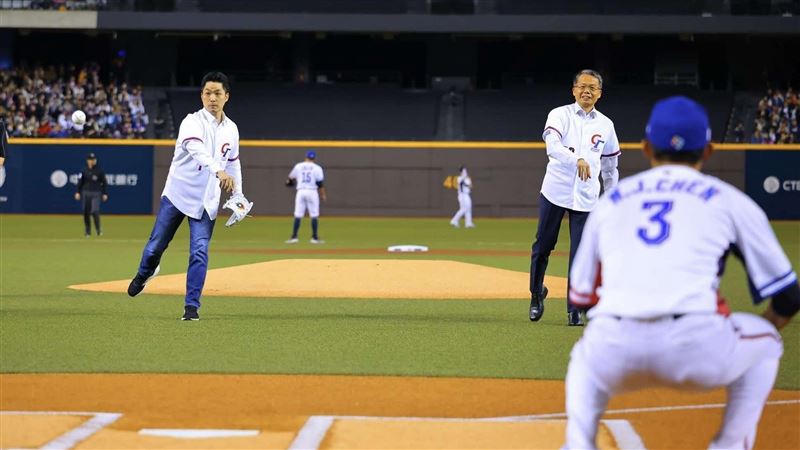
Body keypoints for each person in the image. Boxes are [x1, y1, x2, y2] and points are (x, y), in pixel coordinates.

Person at [563, 96, 799, 450]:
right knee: (765, 343)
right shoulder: (729, 199)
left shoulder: (612, 200)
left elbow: (579, 297)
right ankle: (729, 445)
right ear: (708, 150)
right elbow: (788, 296)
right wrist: (750, 325)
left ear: (645, 148)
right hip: (696, 347)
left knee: (584, 358)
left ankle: (579, 444)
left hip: (615, 344)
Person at [127, 72, 245, 321]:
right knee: (154, 247)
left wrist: (239, 195)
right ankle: (144, 273)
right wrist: (218, 170)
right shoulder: (191, 122)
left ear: (227, 97)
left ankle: (191, 307)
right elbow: (196, 150)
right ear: (201, 95)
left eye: (217, 93)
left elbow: (233, 164)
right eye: (207, 93)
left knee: (199, 251)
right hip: (178, 194)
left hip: (206, 202)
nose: (212, 98)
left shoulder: (232, 129)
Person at [529, 69, 620, 326]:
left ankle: (574, 309)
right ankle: (536, 294)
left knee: (581, 254)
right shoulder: (559, 114)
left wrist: (612, 200)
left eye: (592, 88)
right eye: (582, 86)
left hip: (587, 196)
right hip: (555, 191)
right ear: (573, 90)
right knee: (543, 245)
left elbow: (611, 167)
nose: (586, 91)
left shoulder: (606, 125)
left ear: (600, 94)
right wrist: (576, 159)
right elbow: (553, 147)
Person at [285, 150, 326, 244]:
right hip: (312, 191)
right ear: (314, 158)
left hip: (301, 191)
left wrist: (289, 183)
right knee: (314, 214)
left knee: (298, 214)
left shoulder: (298, 166)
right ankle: (314, 238)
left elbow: (290, 179)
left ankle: (294, 237)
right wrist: (323, 194)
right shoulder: (317, 168)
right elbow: (320, 183)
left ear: (306, 157)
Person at [74, 153, 108, 237]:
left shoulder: (99, 171)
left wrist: (104, 193)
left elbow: (104, 182)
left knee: (95, 211)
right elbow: (80, 182)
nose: (92, 161)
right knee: (86, 212)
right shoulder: (84, 170)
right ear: (87, 160)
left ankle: (98, 230)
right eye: (90, 159)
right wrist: (77, 192)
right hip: (86, 193)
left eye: (93, 159)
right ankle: (88, 231)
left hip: (96, 193)